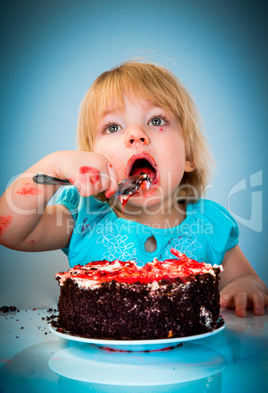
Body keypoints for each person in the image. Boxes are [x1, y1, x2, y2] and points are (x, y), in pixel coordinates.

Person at [0, 61, 267, 318]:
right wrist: (52, 166)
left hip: (192, 361)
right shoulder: (83, 216)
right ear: (91, 158)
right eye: (113, 127)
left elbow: (246, 278)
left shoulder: (211, 225)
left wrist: (245, 287)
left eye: (156, 120)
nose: (136, 134)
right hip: (96, 361)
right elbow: (10, 232)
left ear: (189, 156)